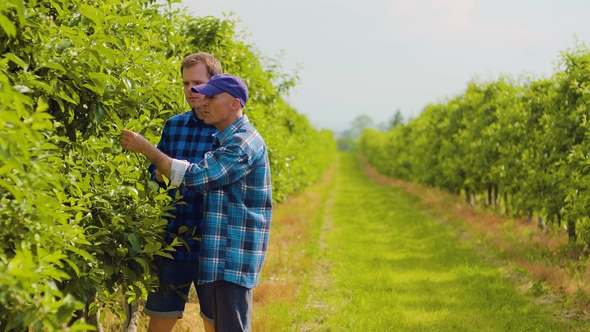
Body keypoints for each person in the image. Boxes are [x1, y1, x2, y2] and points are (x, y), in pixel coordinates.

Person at [120, 74, 272, 332]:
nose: (204, 102)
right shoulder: (225, 139)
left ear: (235, 103)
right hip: (221, 255)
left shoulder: (241, 142)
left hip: (230, 256)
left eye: (212, 97)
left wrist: (147, 149)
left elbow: (197, 177)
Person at [143, 52, 222, 332]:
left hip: (211, 243)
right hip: (173, 239)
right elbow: (156, 177)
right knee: (159, 318)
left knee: (215, 323)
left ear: (215, 83)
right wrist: (158, 175)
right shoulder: (174, 126)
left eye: (197, 83)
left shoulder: (226, 131)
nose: (191, 90)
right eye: (186, 83)